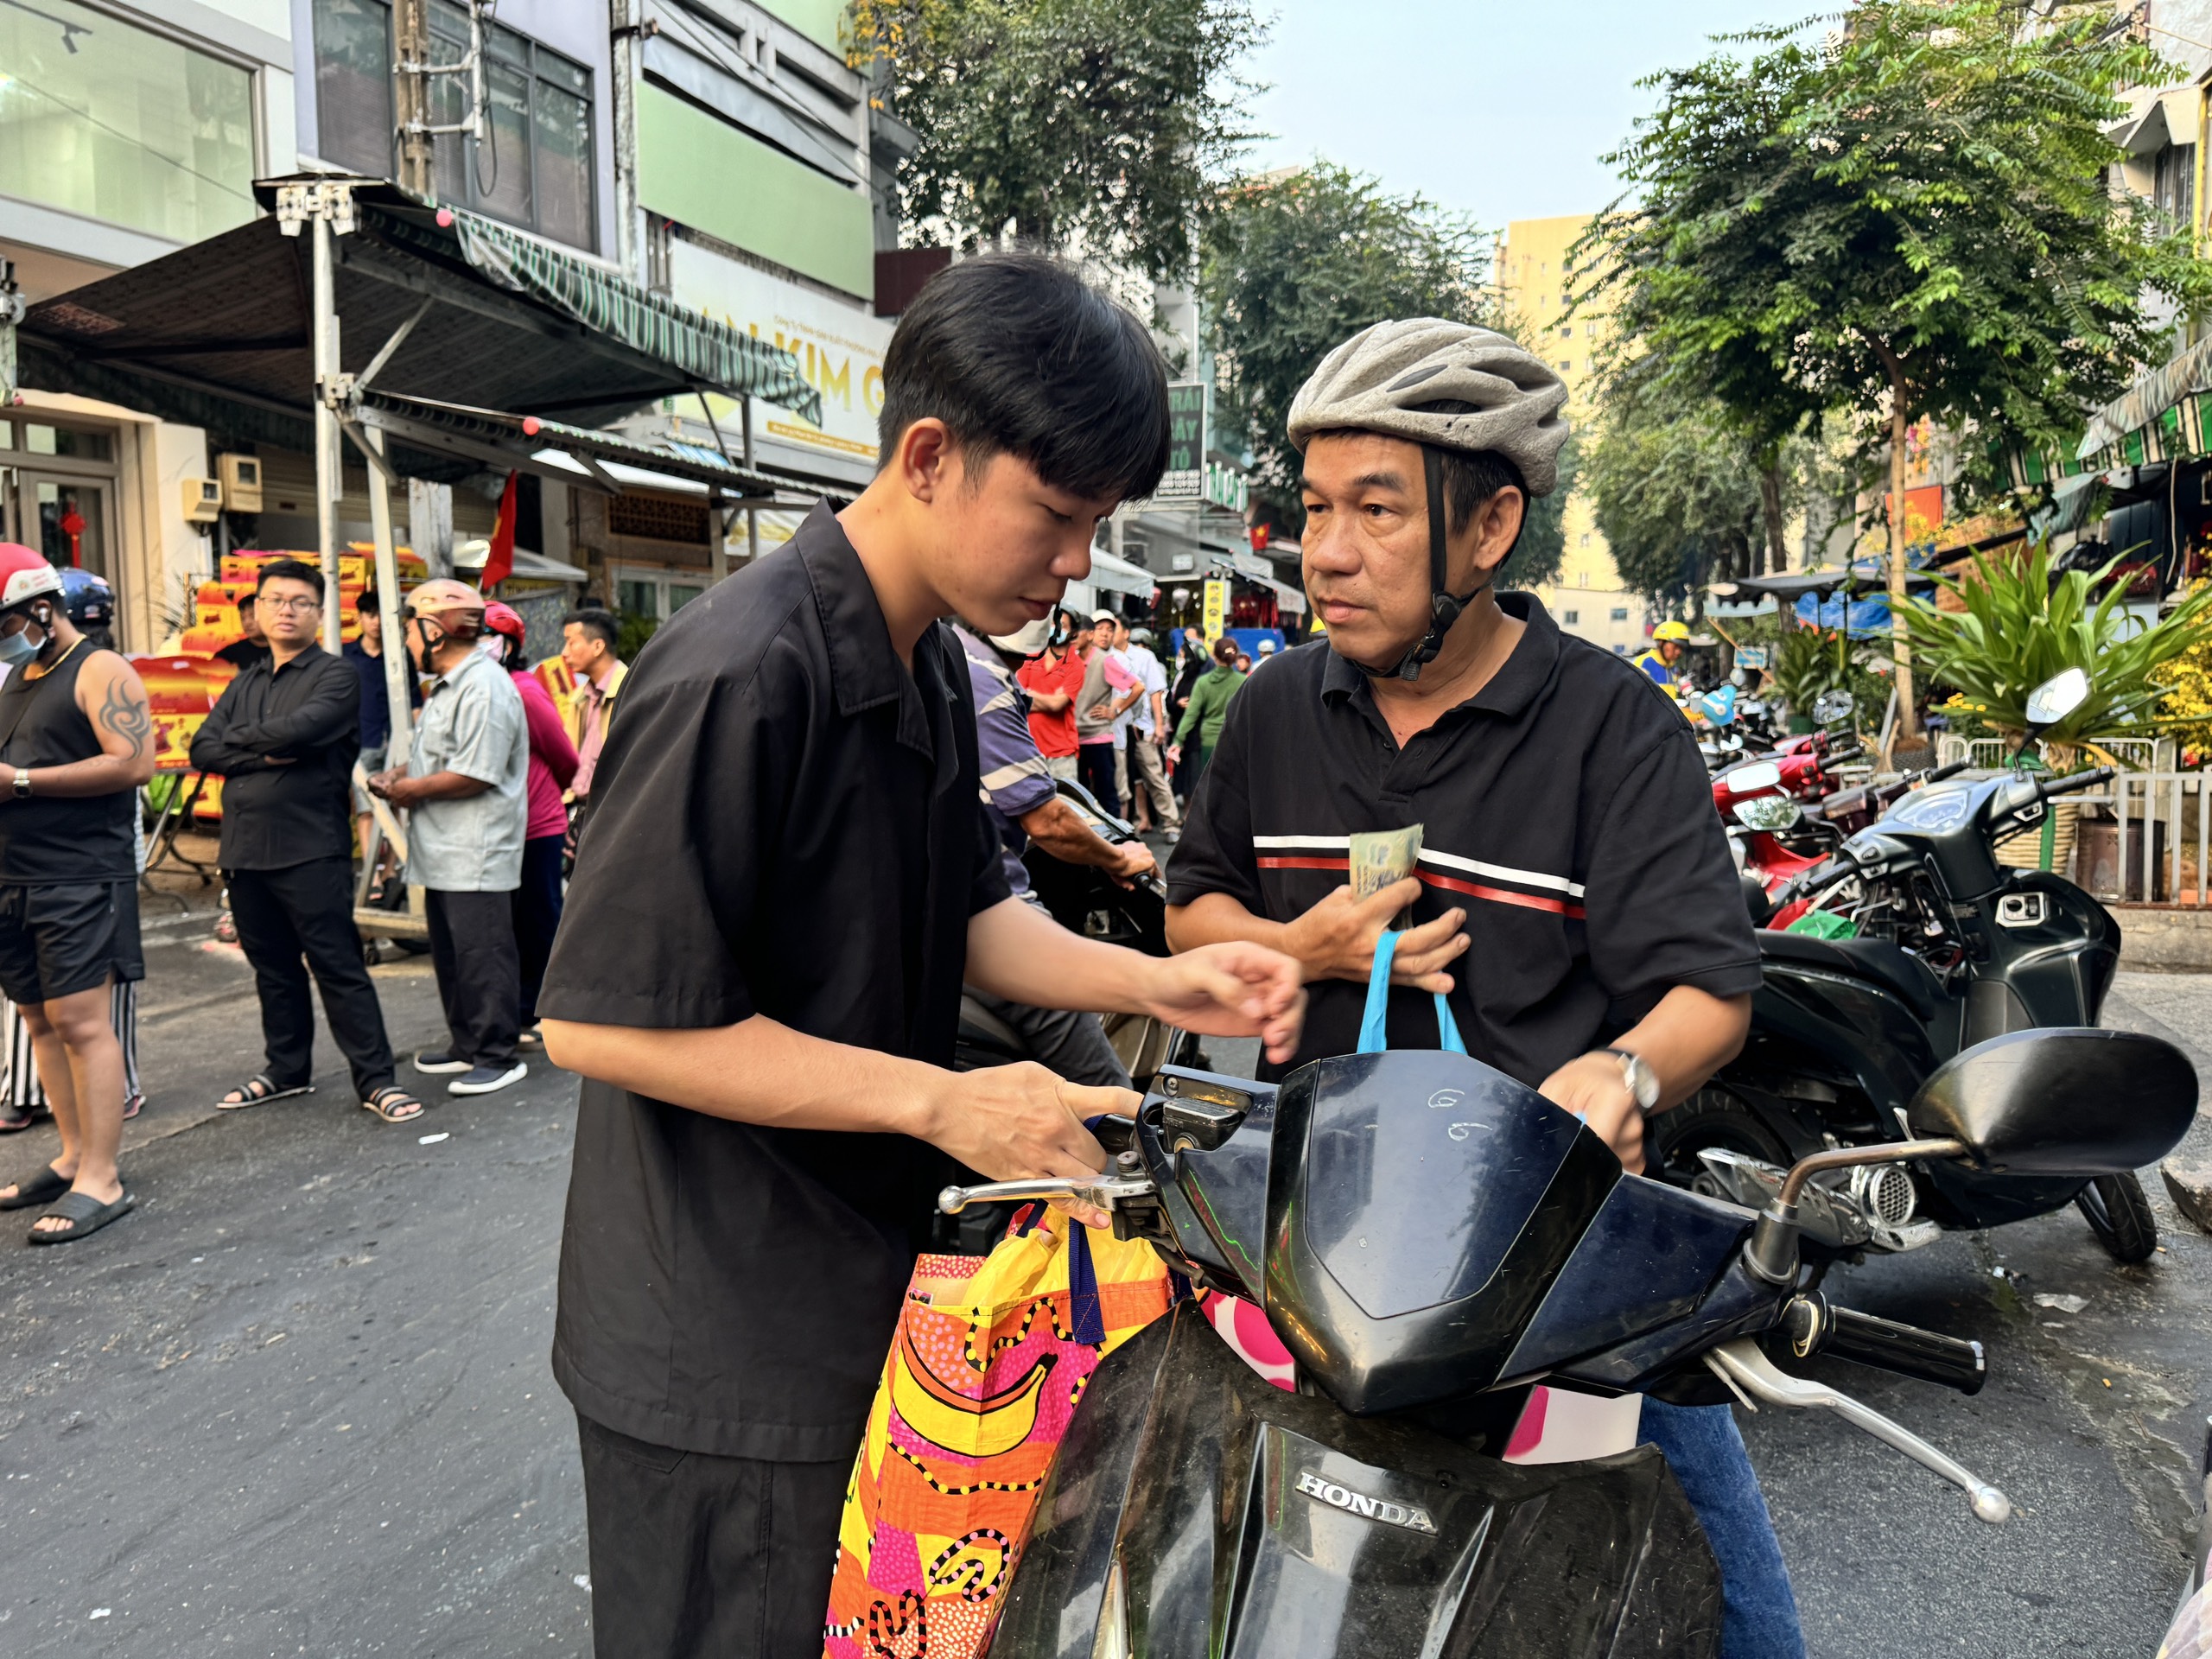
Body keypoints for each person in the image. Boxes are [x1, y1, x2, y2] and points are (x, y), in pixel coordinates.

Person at [535, 251, 1304, 1659]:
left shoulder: (933, 664)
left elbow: (968, 918)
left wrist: (1157, 981)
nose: (1076, 566)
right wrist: (944, 1100)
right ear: (931, 457)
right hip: (718, 1335)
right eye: (1059, 517)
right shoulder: (739, 670)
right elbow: (600, 1023)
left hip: (861, 1290)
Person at [1160, 319, 1796, 1659]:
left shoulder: (1613, 728)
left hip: (1558, 1291)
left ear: (1491, 523)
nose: (1325, 551)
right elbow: (1192, 911)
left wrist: (1620, 1076)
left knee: (1745, 1631)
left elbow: (1706, 990)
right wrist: (1310, 951)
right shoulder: (1275, 711)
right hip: (1314, 1279)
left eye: (1376, 511)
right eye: (1316, 509)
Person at [189, 560, 421, 1125]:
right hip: (244, 850)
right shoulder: (244, 681)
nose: (286, 609)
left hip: (309, 848)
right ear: (258, 611)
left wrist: (239, 750)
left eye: (298, 601)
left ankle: (376, 1079)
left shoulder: (334, 676)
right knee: (272, 969)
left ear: (320, 613)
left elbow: (301, 729)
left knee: (337, 964)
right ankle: (286, 1070)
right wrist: (261, 752)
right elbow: (202, 748)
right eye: (275, 600)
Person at [0, 543, 156, 1243]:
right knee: (40, 1021)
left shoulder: (99, 668)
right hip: (15, 873)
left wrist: (21, 784)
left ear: (40, 610)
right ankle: (70, 1156)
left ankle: (103, 1178)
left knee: (83, 1023)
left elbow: (134, 764)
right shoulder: (20, 676)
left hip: (79, 873)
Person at [955, 613, 1151, 1088]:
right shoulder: (978, 674)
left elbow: (1052, 702)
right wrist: (1117, 858)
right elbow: (1047, 821)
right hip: (990, 914)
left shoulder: (940, 655)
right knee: (1110, 1097)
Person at [367, 580, 531, 1098]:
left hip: (475, 848)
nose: (407, 643)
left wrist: (409, 789)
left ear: (434, 632)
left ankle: (496, 1055)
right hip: (443, 848)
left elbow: (476, 773)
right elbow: (440, 762)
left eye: (411, 630)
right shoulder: (449, 686)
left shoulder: (484, 686)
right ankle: (466, 1044)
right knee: (454, 954)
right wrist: (401, 776)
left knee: (483, 954)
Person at [483, 602, 577, 1048]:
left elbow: (564, 755)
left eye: (488, 638)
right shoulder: (475, 689)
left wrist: (545, 794)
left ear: (508, 646)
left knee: (540, 919)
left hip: (537, 823)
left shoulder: (523, 689)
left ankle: (550, 1008)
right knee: (511, 924)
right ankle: (521, 1007)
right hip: (495, 828)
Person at [558, 607, 626, 823]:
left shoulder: (629, 689)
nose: (564, 652)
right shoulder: (580, 696)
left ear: (597, 646)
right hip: (579, 811)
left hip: (612, 812)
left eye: (571, 642)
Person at [1074, 608, 1141, 816]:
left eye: (1109, 629)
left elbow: (1137, 687)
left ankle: (1117, 841)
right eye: (1100, 628)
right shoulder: (1070, 659)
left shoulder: (1107, 660)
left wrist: (1115, 710)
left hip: (1099, 737)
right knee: (1079, 794)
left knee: (1108, 792)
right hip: (1073, 738)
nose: (1104, 633)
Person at [1121, 622, 1179, 839]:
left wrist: (1157, 726)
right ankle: (1140, 820)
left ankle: (1171, 823)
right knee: (1131, 780)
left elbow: (1155, 693)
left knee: (1153, 776)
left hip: (1142, 727)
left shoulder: (1145, 658)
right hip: (1119, 729)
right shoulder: (1107, 656)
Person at [1014, 607, 1084, 780]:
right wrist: (1049, 698)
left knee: (1064, 804)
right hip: (1029, 750)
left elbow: (1057, 705)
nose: (1056, 628)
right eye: (1053, 623)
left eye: (1063, 625)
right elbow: (1017, 696)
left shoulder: (1075, 665)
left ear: (1073, 633)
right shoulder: (1032, 657)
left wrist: (1031, 694)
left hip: (1061, 753)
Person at [1168, 634, 1244, 786]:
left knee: (1210, 785)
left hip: (1208, 739)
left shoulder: (1204, 683)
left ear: (1214, 656)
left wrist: (1178, 741)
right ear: (1235, 657)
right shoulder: (1243, 681)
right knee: (1231, 786)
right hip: (1235, 740)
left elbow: (1191, 715)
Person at [214, 590, 270, 671]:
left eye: (253, 616)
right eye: (242, 618)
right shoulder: (228, 656)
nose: (247, 623)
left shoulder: (287, 651)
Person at [1637, 619, 1692, 691]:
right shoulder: (1644, 664)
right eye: (1675, 647)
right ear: (1661, 643)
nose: (1678, 652)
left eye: (1681, 648)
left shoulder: (1673, 668)